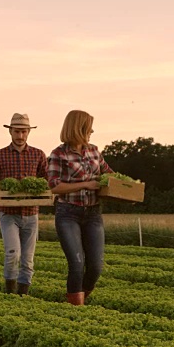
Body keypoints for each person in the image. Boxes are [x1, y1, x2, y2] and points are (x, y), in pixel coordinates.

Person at [47, 110, 114, 305]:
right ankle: (75, 308)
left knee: (95, 266)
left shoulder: (94, 150)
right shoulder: (58, 154)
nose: (92, 130)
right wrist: (85, 184)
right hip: (68, 213)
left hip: (93, 214)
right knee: (77, 264)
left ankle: (79, 298)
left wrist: (126, 189)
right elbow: (54, 186)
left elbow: (109, 174)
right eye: (88, 127)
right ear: (79, 128)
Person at [0, 113, 49, 296]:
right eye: (16, 131)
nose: (20, 136)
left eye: (23, 131)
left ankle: (23, 295)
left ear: (28, 132)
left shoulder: (38, 154)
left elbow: (48, 179)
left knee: (27, 259)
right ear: (10, 132)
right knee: (13, 253)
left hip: (31, 213)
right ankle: (9, 293)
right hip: (8, 213)